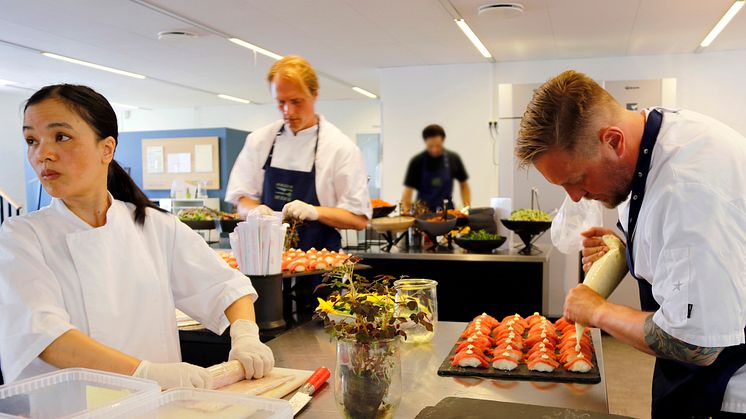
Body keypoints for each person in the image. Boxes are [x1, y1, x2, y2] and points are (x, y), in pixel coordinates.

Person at [0, 84, 274, 389]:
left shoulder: (154, 226)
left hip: (156, 407)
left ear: (106, 148)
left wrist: (246, 336)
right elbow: (45, 335)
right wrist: (145, 374)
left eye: (60, 137)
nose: (42, 154)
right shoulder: (21, 237)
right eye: (31, 140)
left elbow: (224, 287)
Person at [515, 70, 746, 417]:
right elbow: (657, 225)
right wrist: (624, 244)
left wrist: (597, 310)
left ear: (613, 141)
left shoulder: (687, 192)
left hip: (724, 392)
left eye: (578, 180)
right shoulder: (647, 138)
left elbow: (696, 344)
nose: (576, 198)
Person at [225, 55, 372, 251]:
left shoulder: (339, 148)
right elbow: (242, 199)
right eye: (280, 102)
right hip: (265, 257)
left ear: (315, 95)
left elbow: (358, 219)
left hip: (320, 261)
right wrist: (254, 211)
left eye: (297, 101)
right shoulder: (260, 141)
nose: (288, 111)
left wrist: (314, 212)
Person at [401, 124, 470, 214]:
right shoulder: (417, 161)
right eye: (430, 146)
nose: (434, 149)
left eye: (438, 146)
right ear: (425, 142)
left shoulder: (453, 158)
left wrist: (466, 208)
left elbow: (464, 185)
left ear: (443, 140)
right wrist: (406, 212)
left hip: (447, 213)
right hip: (422, 214)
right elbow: (408, 191)